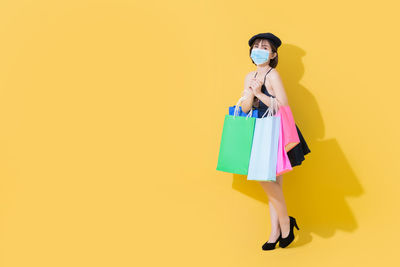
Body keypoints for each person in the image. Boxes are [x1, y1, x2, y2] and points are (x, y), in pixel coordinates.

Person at [240, 32, 310, 250]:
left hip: (275, 130)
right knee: (272, 182)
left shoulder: (272, 75)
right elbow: (244, 108)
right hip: (259, 129)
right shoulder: (249, 76)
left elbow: (282, 104)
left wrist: (259, 93)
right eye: (256, 46)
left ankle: (284, 225)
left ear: (272, 54)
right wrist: (251, 92)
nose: (259, 49)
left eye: (264, 47)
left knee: (268, 180)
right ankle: (278, 230)